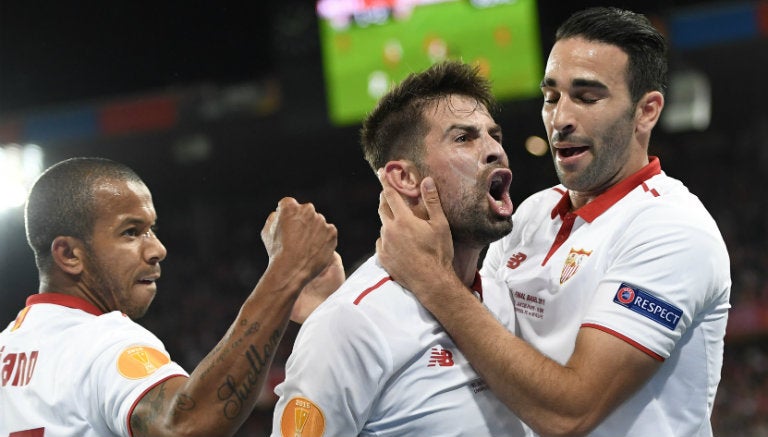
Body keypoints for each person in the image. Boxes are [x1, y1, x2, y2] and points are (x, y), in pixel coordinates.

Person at [377, 7, 731, 437]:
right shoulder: (532, 214)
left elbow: (571, 413)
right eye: (551, 97)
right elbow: (470, 333)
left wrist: (433, 280)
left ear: (647, 111)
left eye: (586, 97)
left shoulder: (673, 230)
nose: (560, 119)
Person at [0, 157, 344, 437]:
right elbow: (184, 426)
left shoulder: (7, 348)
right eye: (131, 232)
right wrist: (287, 271)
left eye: (152, 229)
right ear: (69, 255)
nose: (157, 249)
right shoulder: (99, 342)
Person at [270, 61, 525, 436]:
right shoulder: (350, 324)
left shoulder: (504, 295)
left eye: (494, 135)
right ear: (404, 177)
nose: (494, 151)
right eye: (464, 138)